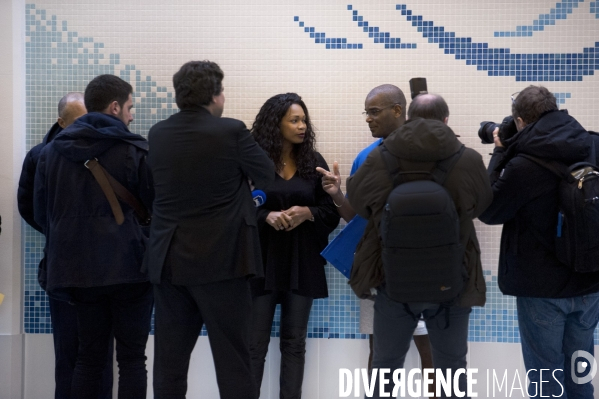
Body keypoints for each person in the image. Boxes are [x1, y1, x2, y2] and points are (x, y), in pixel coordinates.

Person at [347, 93, 492, 398]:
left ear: (408, 119)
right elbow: (482, 206)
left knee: (385, 367)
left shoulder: (380, 157)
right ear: (446, 121)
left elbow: (359, 205)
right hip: (453, 278)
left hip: (391, 278)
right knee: (452, 369)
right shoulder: (467, 159)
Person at [146, 60, 275, 399]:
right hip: (224, 262)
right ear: (215, 95)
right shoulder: (231, 131)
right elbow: (267, 174)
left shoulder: (157, 134)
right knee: (234, 362)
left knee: (169, 365)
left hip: (169, 261)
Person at [34, 75, 154, 399]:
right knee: (131, 361)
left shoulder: (51, 153)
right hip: (131, 270)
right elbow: (156, 211)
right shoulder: (134, 150)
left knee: (88, 359)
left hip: (77, 271)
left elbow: (41, 211)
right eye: (129, 108)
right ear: (115, 107)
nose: (131, 116)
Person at [479, 85, 599, 398]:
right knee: (580, 378)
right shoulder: (593, 145)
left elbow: (489, 211)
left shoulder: (523, 165)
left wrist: (500, 151)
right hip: (590, 282)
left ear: (520, 121)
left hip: (541, 288)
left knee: (547, 384)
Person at [316, 84, 434, 378]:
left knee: (433, 357)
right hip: (378, 270)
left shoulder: (430, 151)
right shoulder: (366, 158)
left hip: (426, 271)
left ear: (397, 110)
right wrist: (337, 195)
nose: (368, 118)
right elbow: (356, 218)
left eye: (374, 112)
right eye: (366, 113)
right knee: (380, 357)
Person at [18, 92, 114, 399]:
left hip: (101, 268)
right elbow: (30, 207)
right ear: (61, 122)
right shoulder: (40, 156)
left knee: (101, 353)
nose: (88, 125)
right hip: (63, 268)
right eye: (79, 119)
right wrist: (62, 234)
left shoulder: (106, 152)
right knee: (68, 353)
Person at [248, 93, 340, 398]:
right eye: (294, 120)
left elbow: (331, 212)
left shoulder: (314, 163)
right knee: (254, 345)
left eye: (304, 120)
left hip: (302, 263)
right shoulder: (253, 162)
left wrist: (308, 212)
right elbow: (234, 209)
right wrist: (266, 216)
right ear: (276, 123)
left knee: (294, 342)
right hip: (260, 263)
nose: (302, 126)